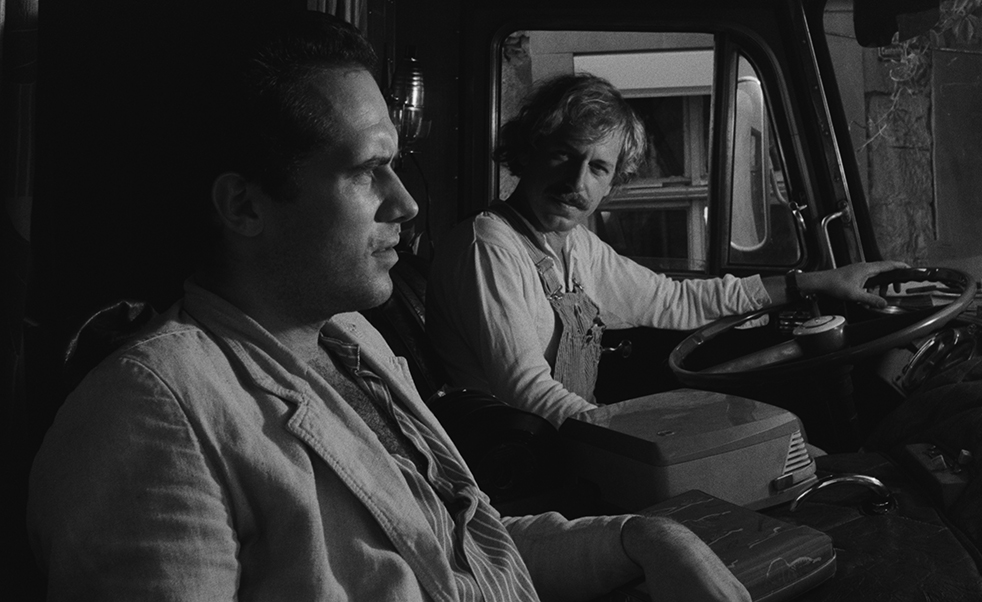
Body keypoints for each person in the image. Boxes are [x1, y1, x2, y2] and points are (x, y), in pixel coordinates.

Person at [26, 11, 751, 602]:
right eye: (367, 171)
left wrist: (639, 538)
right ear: (244, 206)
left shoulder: (353, 341)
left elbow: (465, 552)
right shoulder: (150, 415)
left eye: (396, 166)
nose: (405, 204)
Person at [426, 73, 906, 427]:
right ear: (529, 150)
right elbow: (525, 391)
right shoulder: (487, 245)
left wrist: (815, 282)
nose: (577, 182)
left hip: (568, 438)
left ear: (612, 181)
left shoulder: (575, 247)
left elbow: (675, 300)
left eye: (598, 168)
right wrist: (632, 439)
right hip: (518, 465)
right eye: (563, 155)